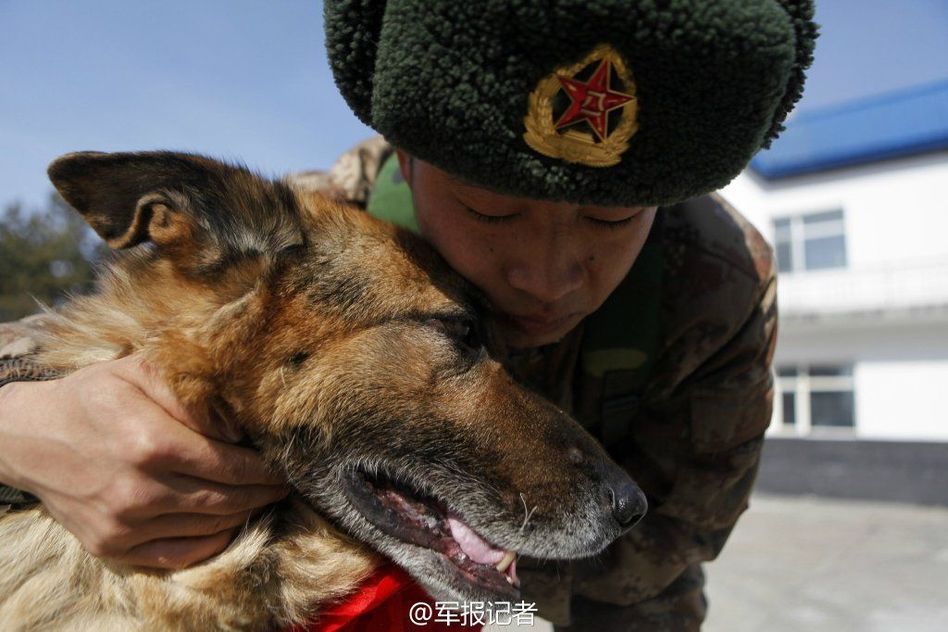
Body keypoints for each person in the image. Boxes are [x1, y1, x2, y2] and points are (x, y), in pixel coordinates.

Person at [0, 1, 817, 629]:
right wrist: (21, 426)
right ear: (408, 159)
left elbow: (667, 548)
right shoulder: (310, 239)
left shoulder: (715, 279)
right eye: (491, 209)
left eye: (612, 218)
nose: (546, 276)